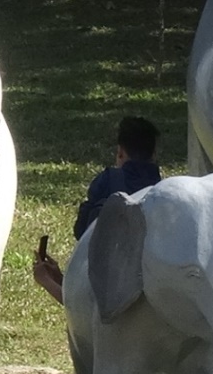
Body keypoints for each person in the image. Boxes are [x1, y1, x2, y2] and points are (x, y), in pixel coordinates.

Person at [32, 116, 163, 302]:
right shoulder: (162, 191)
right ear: (154, 154)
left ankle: (44, 278)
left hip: (107, 282)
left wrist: (46, 279)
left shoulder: (109, 180)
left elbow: (82, 233)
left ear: (120, 153)